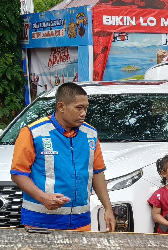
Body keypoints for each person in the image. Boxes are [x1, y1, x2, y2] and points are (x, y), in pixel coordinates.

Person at [10, 82, 116, 232]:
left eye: (86, 108)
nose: (84, 113)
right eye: (79, 108)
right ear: (61, 106)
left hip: (81, 220)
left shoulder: (91, 134)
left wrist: (108, 208)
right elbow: (18, 174)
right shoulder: (33, 133)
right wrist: (43, 198)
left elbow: (97, 172)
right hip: (41, 221)